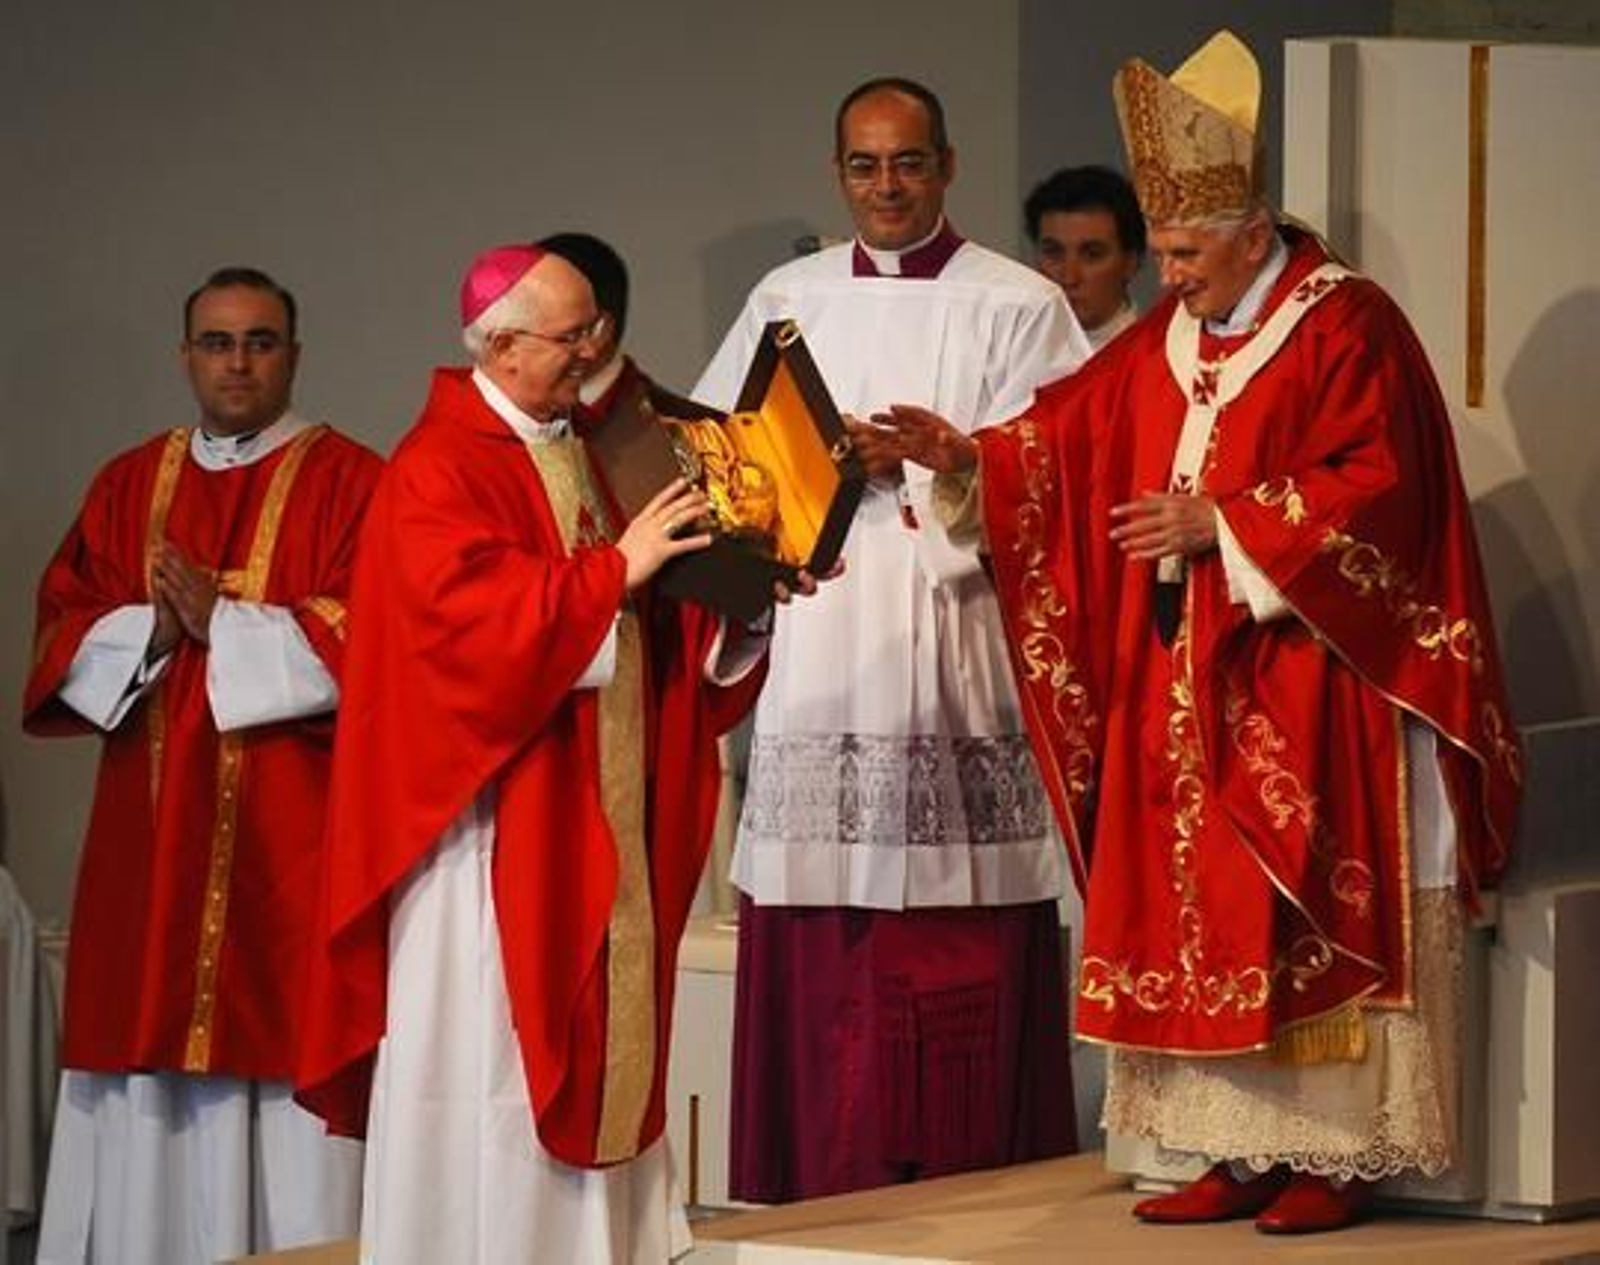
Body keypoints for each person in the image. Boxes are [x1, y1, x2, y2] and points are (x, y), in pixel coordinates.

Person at [886, 31, 1521, 1235]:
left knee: (1294, 898)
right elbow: (1069, 438)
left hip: (1306, 667)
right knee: (1191, 899)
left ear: (1251, 226)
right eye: (1163, 250)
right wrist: (971, 456)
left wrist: (1221, 524)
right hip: (1176, 665)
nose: (1167, 275)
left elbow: (1384, 486)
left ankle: (1330, 1154)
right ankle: (1228, 1145)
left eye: (1184, 250)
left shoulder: (1346, 325)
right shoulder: (1172, 336)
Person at [295, 244, 789, 1263]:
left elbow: (647, 620)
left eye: (592, 333)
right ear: (504, 343)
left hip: (590, 822)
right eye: (570, 338)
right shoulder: (437, 467)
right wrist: (617, 568)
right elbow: (463, 638)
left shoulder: (589, 448)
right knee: (491, 1073)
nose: (588, 353)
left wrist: (741, 608)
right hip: (488, 837)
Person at [694, 76, 1091, 1203]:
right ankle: (814, 1183)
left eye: (908, 163)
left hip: (951, 642)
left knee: (952, 942)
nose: (886, 186)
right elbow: (724, 466)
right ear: (838, 175)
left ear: (949, 167)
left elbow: (1066, 473)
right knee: (826, 953)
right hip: (822, 648)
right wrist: (795, 484)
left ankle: (972, 1193)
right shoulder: (789, 295)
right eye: (864, 166)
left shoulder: (1016, 304)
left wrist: (951, 459)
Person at [23, 266, 380, 1264]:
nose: (237, 361)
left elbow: (380, 637)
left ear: (294, 355)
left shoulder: (352, 480)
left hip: (287, 836)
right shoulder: (129, 480)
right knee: (145, 1049)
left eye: (260, 341)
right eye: (217, 342)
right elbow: (63, 621)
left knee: (279, 1038)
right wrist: (154, 627)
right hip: (150, 837)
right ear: (184, 355)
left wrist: (225, 623)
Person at [1023, 164, 1145, 351]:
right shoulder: (1011, 354)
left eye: (1092, 255)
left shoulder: (1162, 360)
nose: (1069, 278)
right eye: (1053, 252)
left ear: (1131, 262)